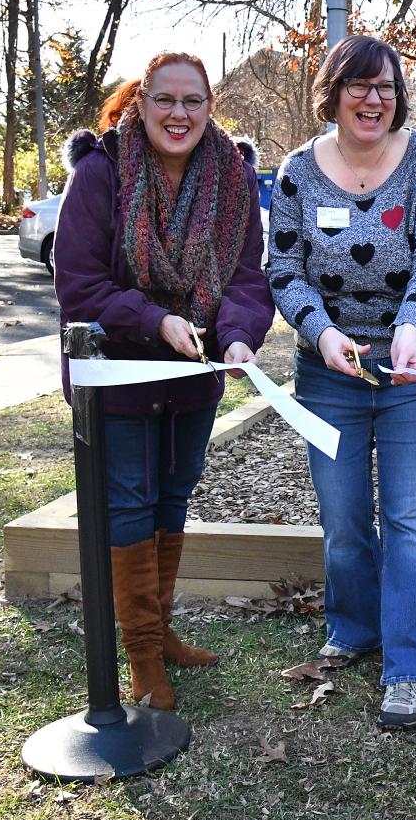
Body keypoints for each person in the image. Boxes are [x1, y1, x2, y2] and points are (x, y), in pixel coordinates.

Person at [55, 51, 271, 710]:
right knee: (129, 507)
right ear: (141, 102)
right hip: (119, 374)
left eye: (193, 101)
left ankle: (164, 631)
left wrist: (237, 334)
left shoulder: (233, 176)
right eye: (166, 100)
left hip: (194, 376)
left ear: (210, 109)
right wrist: (154, 321)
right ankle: (143, 659)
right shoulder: (101, 171)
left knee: (173, 500)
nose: (179, 113)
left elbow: (246, 278)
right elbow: (79, 286)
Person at [267, 34, 416, 731]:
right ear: (333, 93)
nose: (373, 100)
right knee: (344, 516)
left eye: (385, 87)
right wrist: (322, 334)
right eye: (358, 85)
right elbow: (283, 271)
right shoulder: (295, 172)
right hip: (330, 373)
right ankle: (355, 627)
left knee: (410, 516)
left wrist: (410, 326)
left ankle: (409, 664)